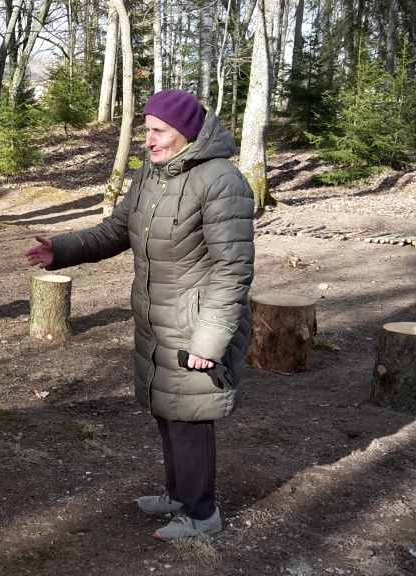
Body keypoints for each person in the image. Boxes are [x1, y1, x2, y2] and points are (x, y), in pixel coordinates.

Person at [25, 89, 255, 540]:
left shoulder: (221, 181)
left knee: (190, 418)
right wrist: (62, 249)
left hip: (196, 324)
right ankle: (179, 494)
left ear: (185, 133)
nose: (147, 140)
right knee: (167, 409)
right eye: (145, 130)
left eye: (157, 131)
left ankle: (202, 513)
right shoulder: (151, 173)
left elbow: (233, 270)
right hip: (157, 319)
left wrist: (210, 341)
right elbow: (117, 229)